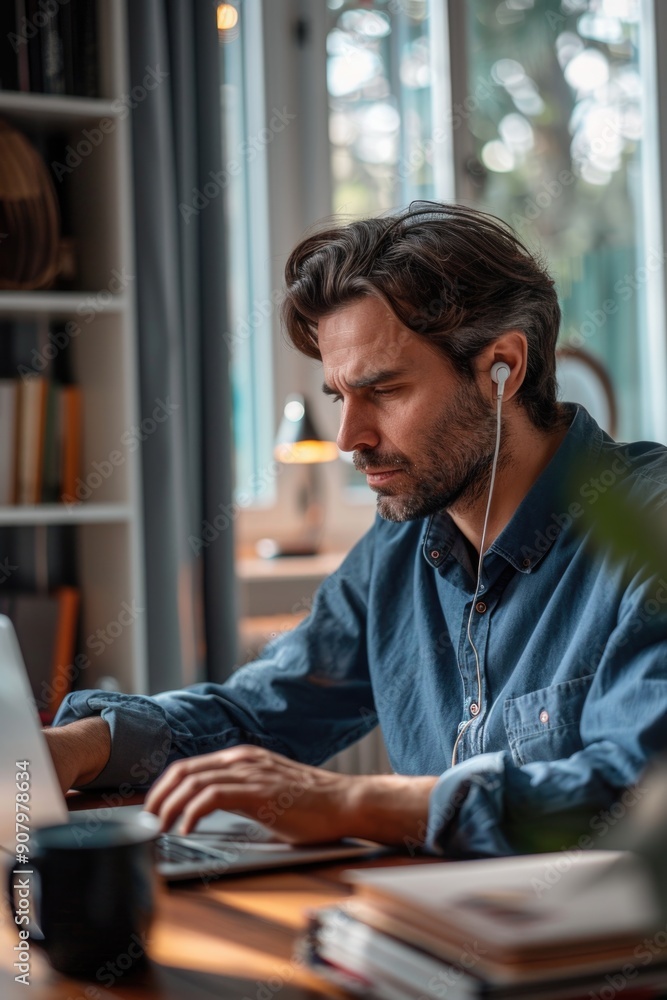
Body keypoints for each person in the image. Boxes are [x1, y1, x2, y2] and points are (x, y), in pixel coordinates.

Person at [45, 203, 667, 858]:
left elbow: (633, 796)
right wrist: (79, 747)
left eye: (385, 391)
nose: (350, 438)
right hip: (432, 931)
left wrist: (351, 801)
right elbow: (260, 712)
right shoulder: (404, 540)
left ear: (501, 367)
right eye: (340, 397)